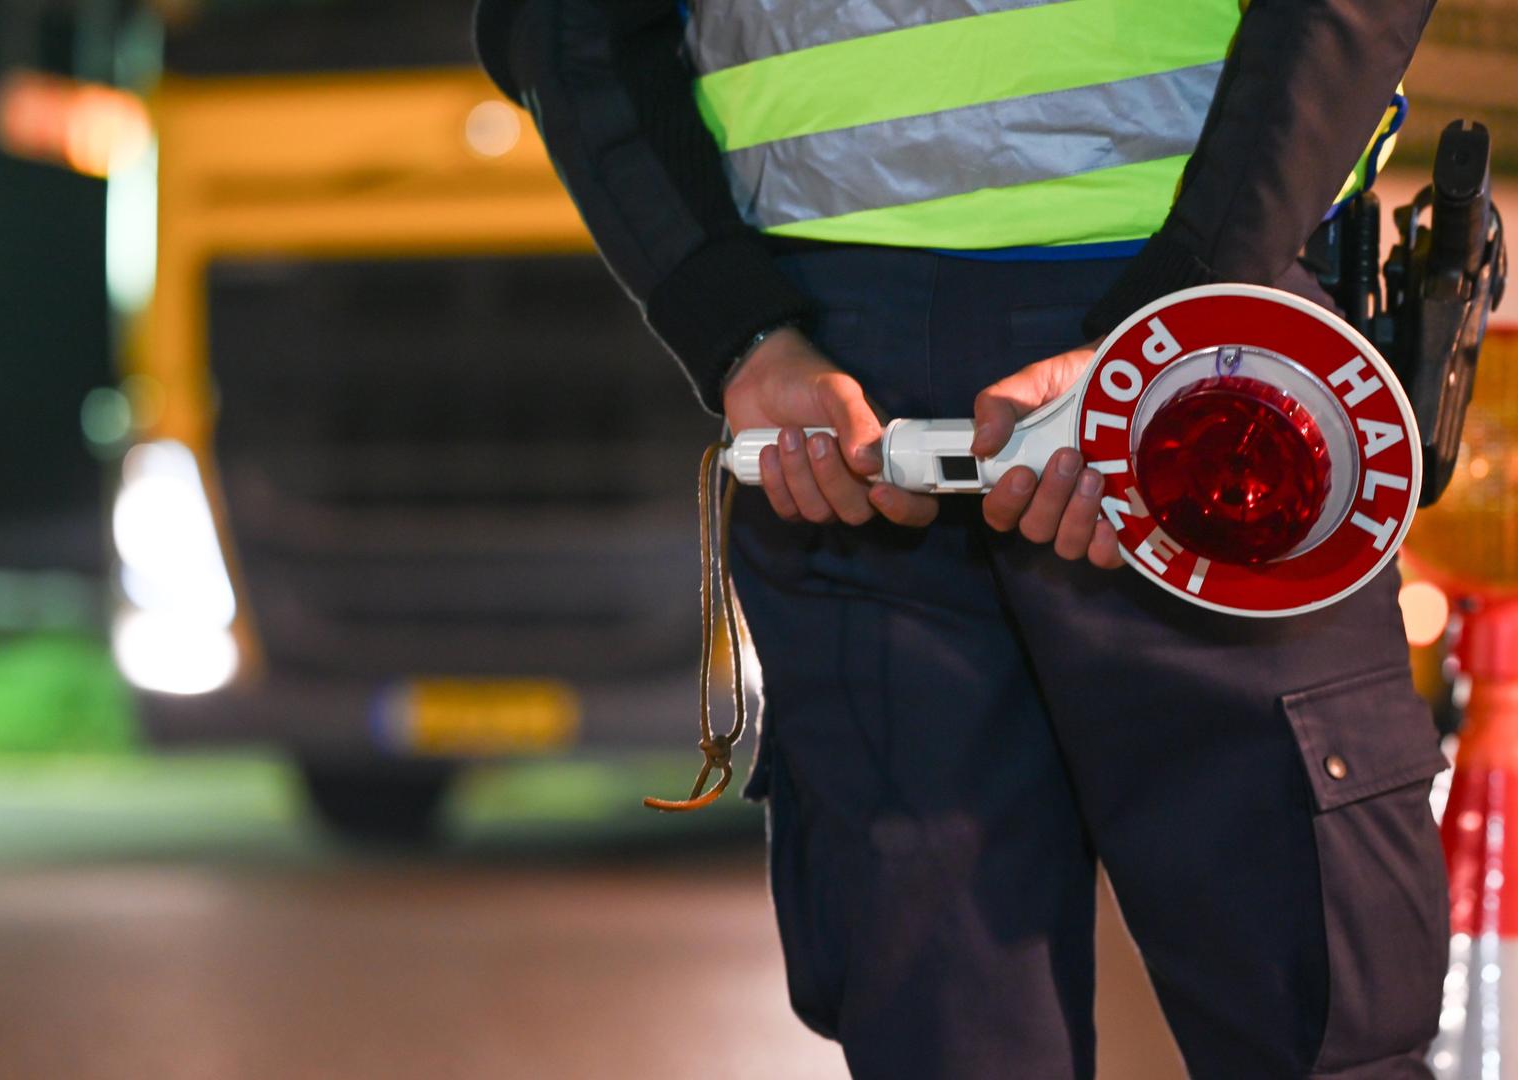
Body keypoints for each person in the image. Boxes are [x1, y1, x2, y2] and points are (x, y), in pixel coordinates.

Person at [475, 1, 1450, 1076]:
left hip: (859, 358)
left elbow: (565, 29)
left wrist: (741, 329)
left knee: (946, 1029)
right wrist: (1178, 317)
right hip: (1192, 339)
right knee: (1313, 1011)